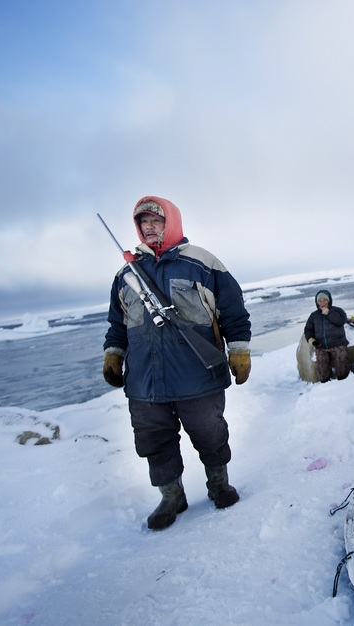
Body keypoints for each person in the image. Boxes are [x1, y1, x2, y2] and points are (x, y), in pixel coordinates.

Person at [102, 196, 252, 530]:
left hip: (197, 373)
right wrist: (114, 355)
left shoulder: (202, 263)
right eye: (143, 223)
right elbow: (117, 324)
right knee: (153, 440)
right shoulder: (126, 274)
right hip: (145, 380)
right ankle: (171, 496)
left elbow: (233, 311)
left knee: (210, 432)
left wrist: (239, 350)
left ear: (171, 222)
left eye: (156, 221)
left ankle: (219, 484)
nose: (149, 228)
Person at [304, 290, 350, 383]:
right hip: (321, 345)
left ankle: (343, 381)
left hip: (338, 343)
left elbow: (341, 321)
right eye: (320, 301)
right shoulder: (314, 316)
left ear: (329, 300)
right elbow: (308, 329)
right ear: (317, 303)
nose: (322, 303)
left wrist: (329, 313)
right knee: (322, 366)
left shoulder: (337, 310)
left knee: (341, 361)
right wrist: (311, 340)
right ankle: (325, 384)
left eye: (324, 300)